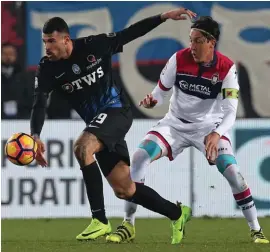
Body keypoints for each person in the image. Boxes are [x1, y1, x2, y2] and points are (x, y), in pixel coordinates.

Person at [30, 8, 197, 244]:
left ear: (66, 39)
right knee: (125, 189)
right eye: (44, 41)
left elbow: (130, 33)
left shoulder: (93, 46)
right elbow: (39, 104)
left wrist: (161, 17)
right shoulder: (47, 68)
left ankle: (99, 220)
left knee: (82, 147)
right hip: (98, 125)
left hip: (117, 110)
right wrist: (35, 134)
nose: (47, 47)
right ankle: (177, 213)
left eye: (52, 41)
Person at [106, 16, 269, 244]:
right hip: (175, 124)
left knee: (233, 173)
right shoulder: (178, 59)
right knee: (140, 157)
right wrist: (153, 100)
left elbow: (230, 111)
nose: (192, 46)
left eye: (198, 41)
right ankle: (128, 224)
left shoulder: (226, 68)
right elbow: (160, 92)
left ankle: (256, 229)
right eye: (190, 40)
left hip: (209, 129)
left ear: (211, 42)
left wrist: (217, 133)